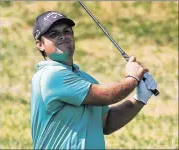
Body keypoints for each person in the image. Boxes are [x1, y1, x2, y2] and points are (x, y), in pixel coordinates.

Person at [31, 11, 157, 149]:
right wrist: (133, 78)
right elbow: (108, 95)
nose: (62, 36)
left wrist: (139, 99)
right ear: (40, 44)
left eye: (67, 31)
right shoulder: (51, 75)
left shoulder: (86, 79)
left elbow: (107, 123)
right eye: (53, 34)